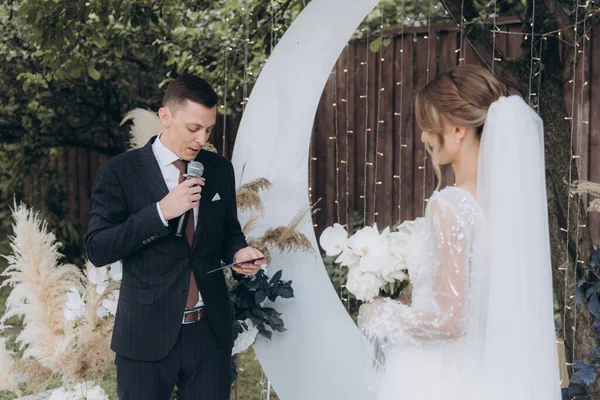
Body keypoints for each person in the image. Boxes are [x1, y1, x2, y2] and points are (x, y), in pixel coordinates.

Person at [358, 65, 561, 400]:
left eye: (428, 126)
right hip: (490, 370)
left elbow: (450, 320)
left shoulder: (451, 205)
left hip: (441, 375)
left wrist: (383, 314)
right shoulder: (513, 204)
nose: (422, 137)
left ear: (456, 129)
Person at [86, 74, 266, 399]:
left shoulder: (219, 169)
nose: (201, 138)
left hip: (209, 334)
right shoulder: (120, 172)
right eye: (193, 128)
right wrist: (161, 212)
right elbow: (98, 248)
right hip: (145, 334)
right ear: (165, 117)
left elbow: (228, 233)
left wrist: (239, 253)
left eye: (208, 129)